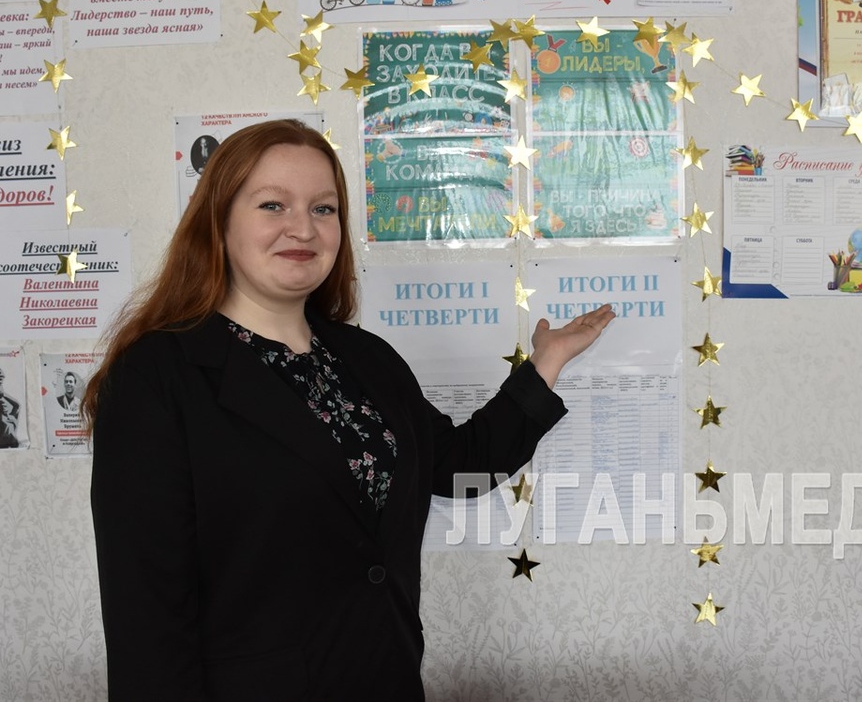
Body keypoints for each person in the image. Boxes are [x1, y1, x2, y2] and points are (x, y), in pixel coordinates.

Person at [84, 119, 614, 701]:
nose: (302, 228)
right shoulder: (157, 376)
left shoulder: (367, 358)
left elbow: (461, 464)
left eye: (323, 209)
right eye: (272, 205)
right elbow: (146, 615)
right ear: (218, 220)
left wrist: (546, 363)